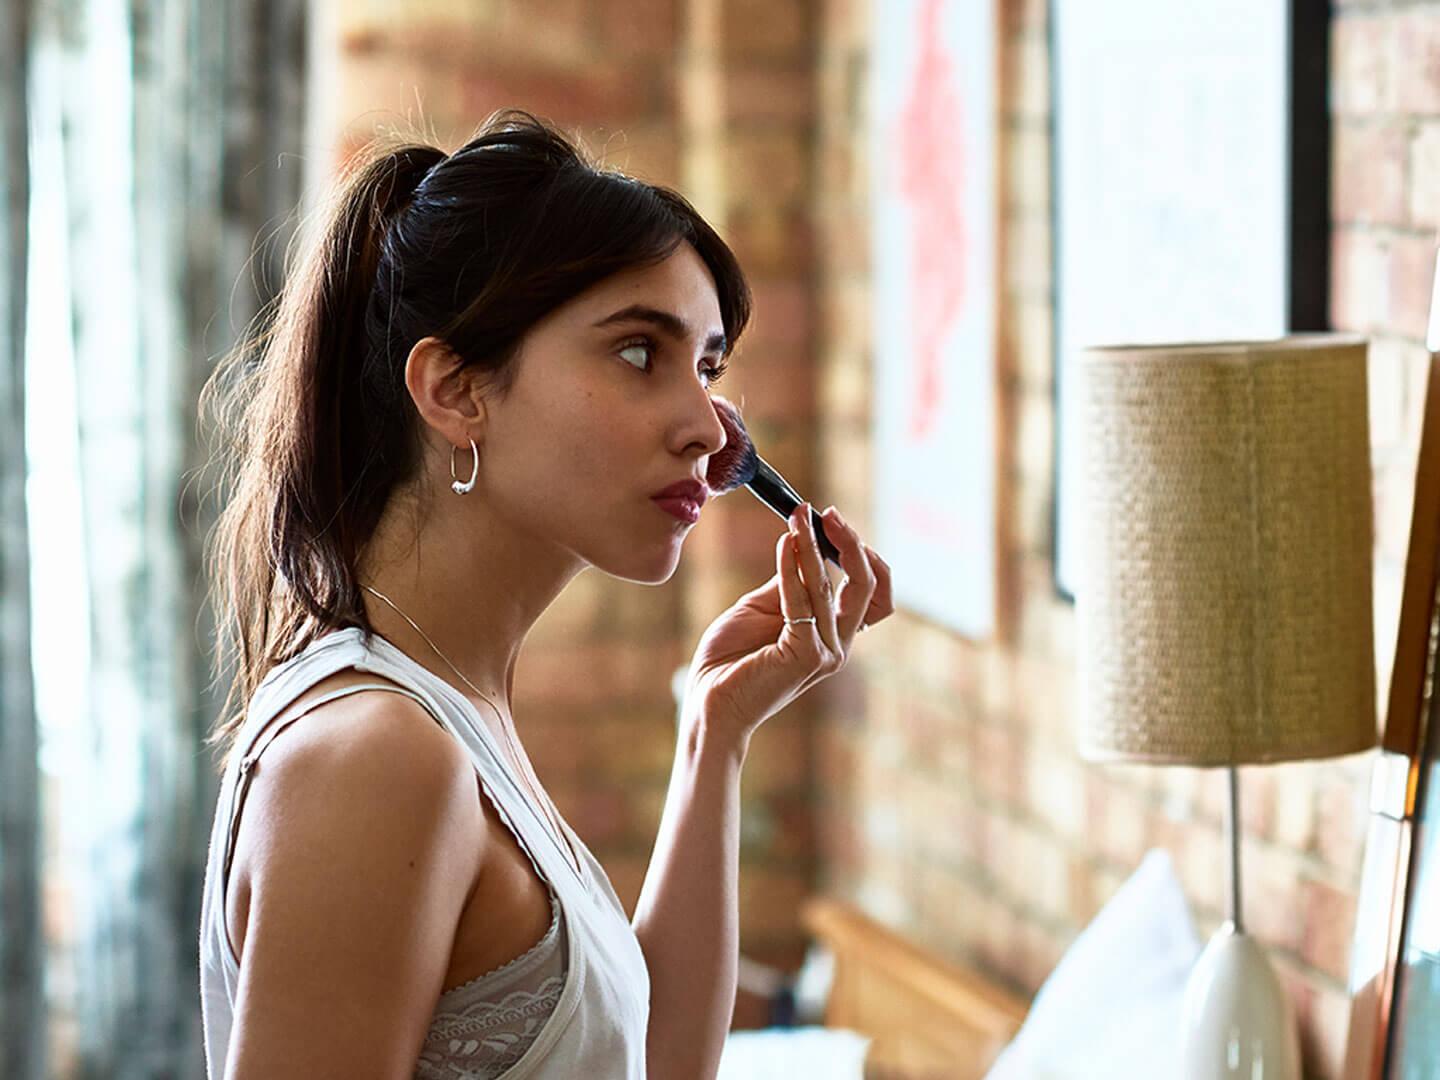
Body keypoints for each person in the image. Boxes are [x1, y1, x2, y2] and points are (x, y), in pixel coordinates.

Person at [194, 108, 892, 1080]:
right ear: (455, 390)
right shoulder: (378, 760)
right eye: (640, 352)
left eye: (706, 365)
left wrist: (716, 732)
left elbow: (642, 1063)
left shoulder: (451, 707)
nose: (708, 424)